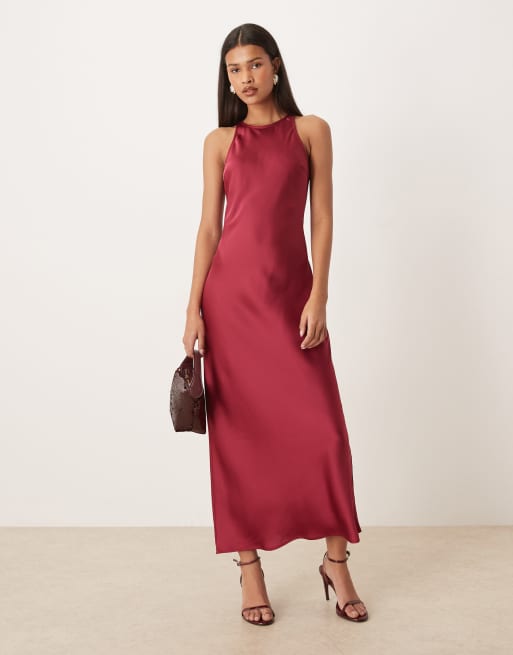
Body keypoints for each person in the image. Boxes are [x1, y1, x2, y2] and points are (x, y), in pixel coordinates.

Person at [182, 23, 368, 626]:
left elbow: (323, 217)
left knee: (325, 433)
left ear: (277, 66)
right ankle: (250, 571)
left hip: (291, 301)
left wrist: (319, 295)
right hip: (231, 306)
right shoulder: (219, 142)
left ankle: (336, 563)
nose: (245, 78)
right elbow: (210, 229)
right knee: (238, 441)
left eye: (255, 65)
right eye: (234, 70)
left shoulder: (311, 131)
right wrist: (192, 308)